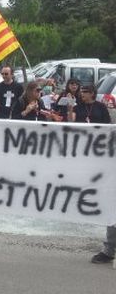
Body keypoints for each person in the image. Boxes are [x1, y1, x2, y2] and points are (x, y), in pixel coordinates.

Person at [64, 85, 114, 264]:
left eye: (85, 92)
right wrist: (70, 111)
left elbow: (109, 128)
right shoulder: (77, 107)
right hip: (86, 155)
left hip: (102, 154)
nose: (82, 95)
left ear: (92, 93)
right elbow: (70, 125)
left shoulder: (100, 108)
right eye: (81, 93)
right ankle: (109, 250)